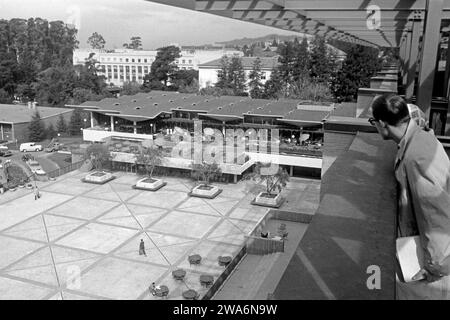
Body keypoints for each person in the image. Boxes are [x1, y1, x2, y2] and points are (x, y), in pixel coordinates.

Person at [369, 94, 450, 299]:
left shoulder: (417, 156)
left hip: (432, 270)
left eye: (373, 122)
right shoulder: (419, 140)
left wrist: (436, 267)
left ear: (382, 124)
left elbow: (437, 214)